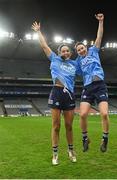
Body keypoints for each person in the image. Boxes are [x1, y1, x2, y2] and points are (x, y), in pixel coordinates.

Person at [32, 22, 77, 165]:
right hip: (56, 92)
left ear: (70, 53)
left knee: (69, 126)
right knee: (56, 125)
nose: (65, 52)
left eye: (67, 51)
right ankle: (55, 153)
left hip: (69, 94)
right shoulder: (54, 59)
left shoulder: (75, 64)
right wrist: (38, 31)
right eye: (63, 51)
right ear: (59, 53)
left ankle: (70, 150)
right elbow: (44, 46)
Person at [75, 13, 110, 152]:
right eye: (78, 50)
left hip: (100, 86)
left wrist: (101, 22)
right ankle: (85, 138)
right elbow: (69, 68)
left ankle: (105, 138)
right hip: (88, 88)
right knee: (82, 114)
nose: (81, 50)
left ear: (86, 47)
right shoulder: (77, 62)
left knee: (104, 114)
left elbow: (99, 37)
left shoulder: (93, 51)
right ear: (77, 52)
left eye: (82, 47)